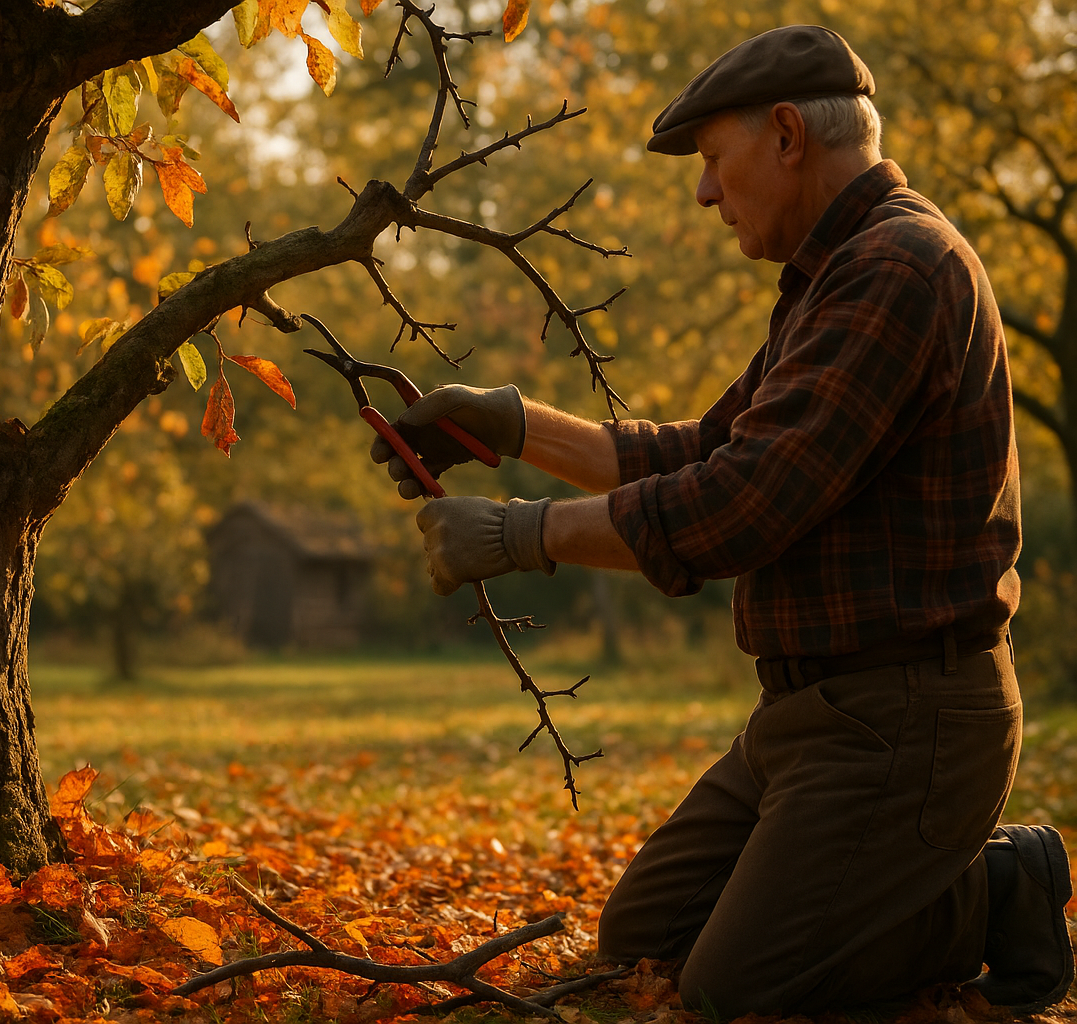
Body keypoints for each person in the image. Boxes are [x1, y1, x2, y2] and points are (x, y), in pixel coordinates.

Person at [374, 24, 1073, 1017]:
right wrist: (512, 424)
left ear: (787, 134)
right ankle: (942, 890)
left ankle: (994, 890)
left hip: (904, 718)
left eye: (712, 160)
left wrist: (520, 534)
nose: (704, 193)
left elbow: (740, 507)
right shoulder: (832, 281)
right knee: (645, 939)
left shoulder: (900, 269)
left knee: (733, 991)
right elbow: (703, 450)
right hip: (807, 717)